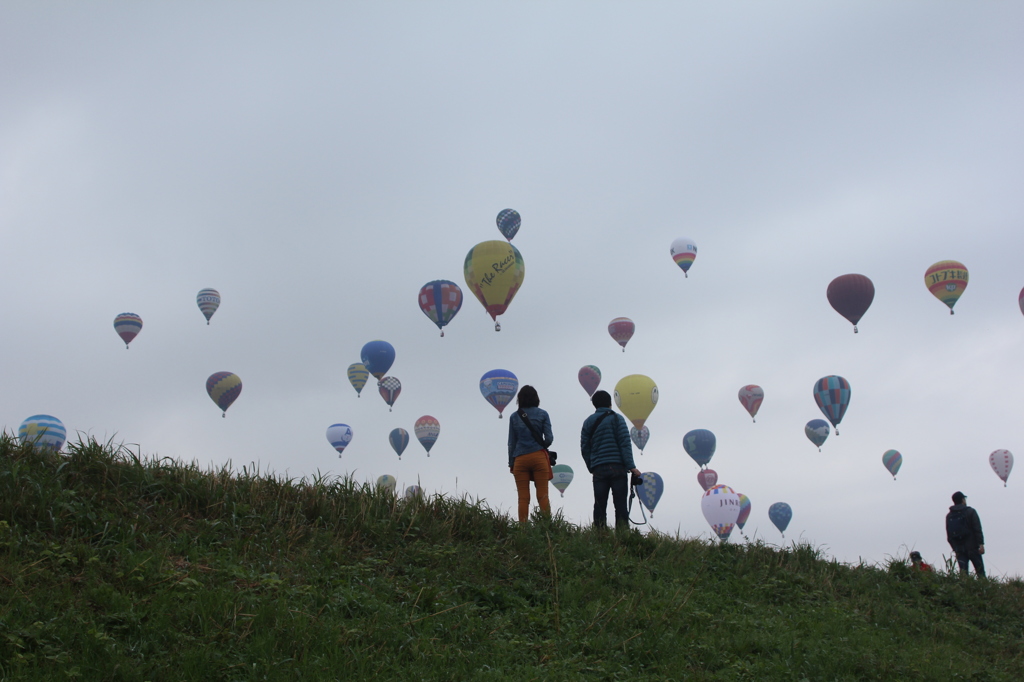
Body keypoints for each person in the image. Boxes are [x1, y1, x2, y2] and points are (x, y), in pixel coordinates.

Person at [580, 390, 642, 529]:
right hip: (617, 467)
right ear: (610, 403)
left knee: (600, 504)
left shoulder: (588, 422)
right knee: (620, 504)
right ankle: (622, 536)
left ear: (594, 404)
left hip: (599, 468)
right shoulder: (617, 419)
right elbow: (624, 443)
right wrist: (631, 466)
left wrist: (592, 465)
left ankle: (600, 535)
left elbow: (585, 447)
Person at [507, 385, 553, 524]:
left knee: (523, 497)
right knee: (543, 495)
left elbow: (511, 443)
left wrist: (511, 463)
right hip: (538, 457)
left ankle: (523, 528)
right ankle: (547, 526)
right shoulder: (543, 414)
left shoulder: (514, 417)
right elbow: (549, 438)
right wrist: (541, 446)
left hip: (520, 459)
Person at [946, 491, 985, 577]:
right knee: (980, 572)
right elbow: (977, 529)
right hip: (973, 547)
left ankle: (964, 589)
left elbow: (949, 536)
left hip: (959, 549)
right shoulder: (971, 511)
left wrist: (955, 548)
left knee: (963, 574)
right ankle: (983, 589)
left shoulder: (949, 515)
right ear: (963, 500)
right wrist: (981, 544)